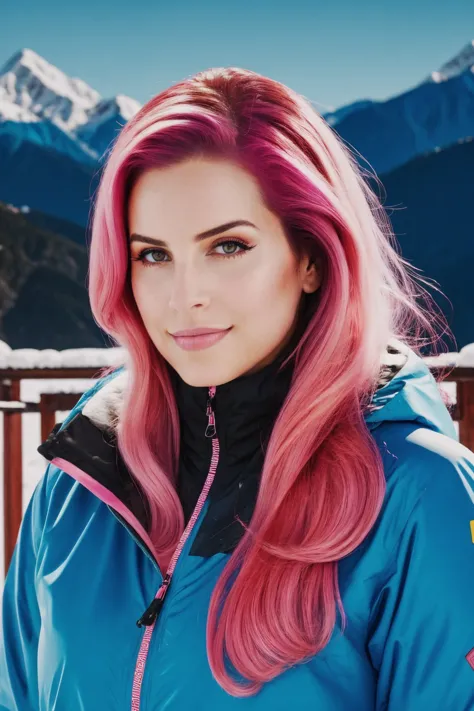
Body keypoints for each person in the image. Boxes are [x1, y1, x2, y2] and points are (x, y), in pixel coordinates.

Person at [1, 67, 474, 711]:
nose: (184, 294)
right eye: (153, 254)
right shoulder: (81, 479)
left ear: (312, 256)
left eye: (227, 246)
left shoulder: (421, 495)